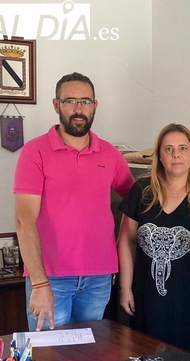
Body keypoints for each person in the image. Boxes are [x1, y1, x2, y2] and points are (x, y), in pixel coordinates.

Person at [14, 72, 135, 331]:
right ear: (56, 105)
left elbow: (137, 201)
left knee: (90, 359)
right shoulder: (35, 152)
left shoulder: (110, 154)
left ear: (95, 105)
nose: (79, 109)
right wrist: (39, 283)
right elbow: (25, 221)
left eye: (86, 101)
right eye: (70, 101)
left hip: (99, 277)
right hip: (51, 279)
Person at [117, 124, 190, 357]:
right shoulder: (142, 191)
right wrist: (125, 288)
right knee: (145, 359)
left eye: (183, 148)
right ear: (159, 156)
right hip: (147, 298)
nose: (176, 154)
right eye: (169, 149)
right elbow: (126, 240)